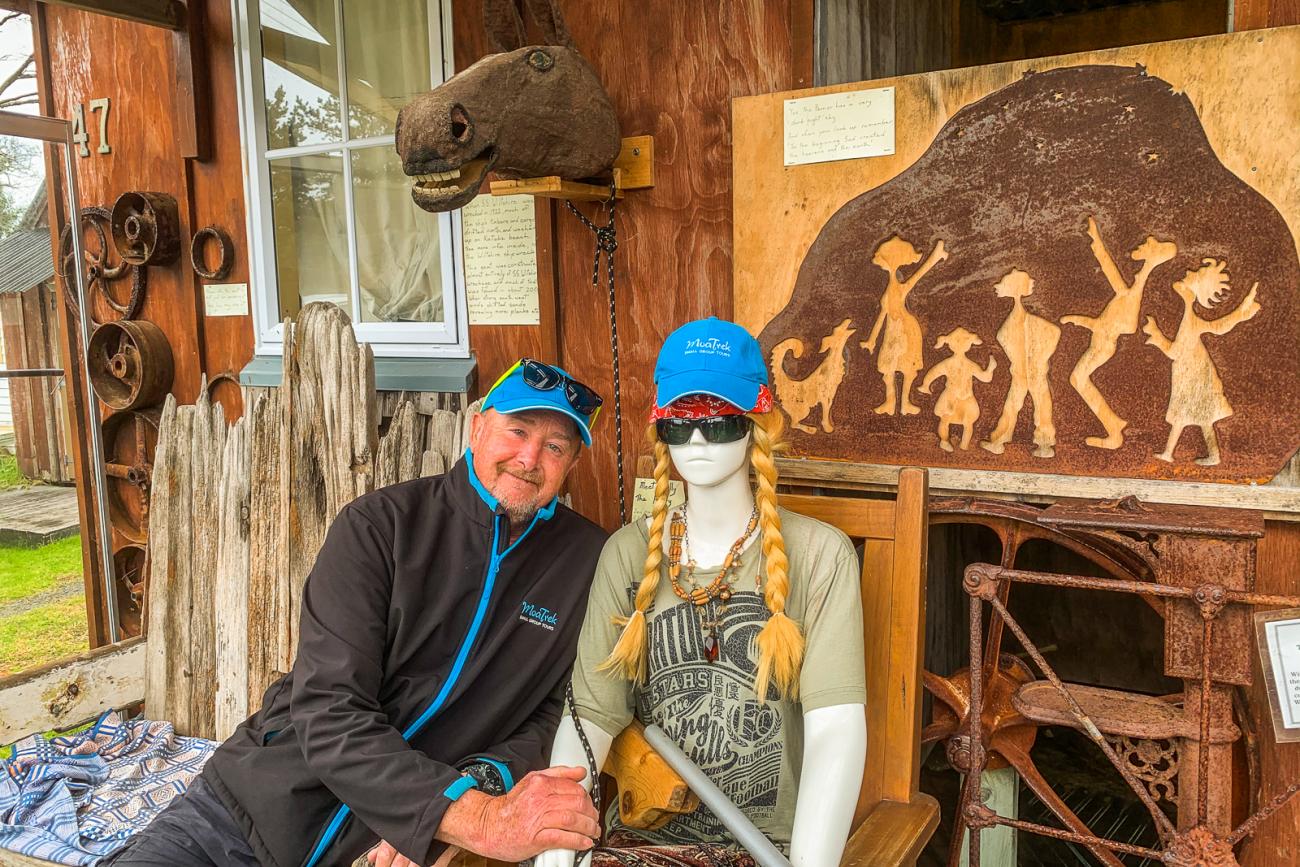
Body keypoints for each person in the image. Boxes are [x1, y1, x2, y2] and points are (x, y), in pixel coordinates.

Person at [105, 359, 610, 867]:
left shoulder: (587, 562)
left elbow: (557, 711)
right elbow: (329, 708)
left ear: (571, 464)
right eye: (517, 430)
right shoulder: (381, 527)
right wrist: (463, 816)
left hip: (379, 851)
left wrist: (464, 793)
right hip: (246, 814)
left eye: (555, 446)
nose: (529, 457)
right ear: (477, 427)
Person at [539, 318, 867, 867]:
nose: (695, 438)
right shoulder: (626, 553)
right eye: (679, 421)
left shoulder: (819, 556)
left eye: (718, 421)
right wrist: (556, 849)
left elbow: (836, 727)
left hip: (768, 850)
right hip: (642, 842)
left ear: (755, 424)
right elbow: (589, 718)